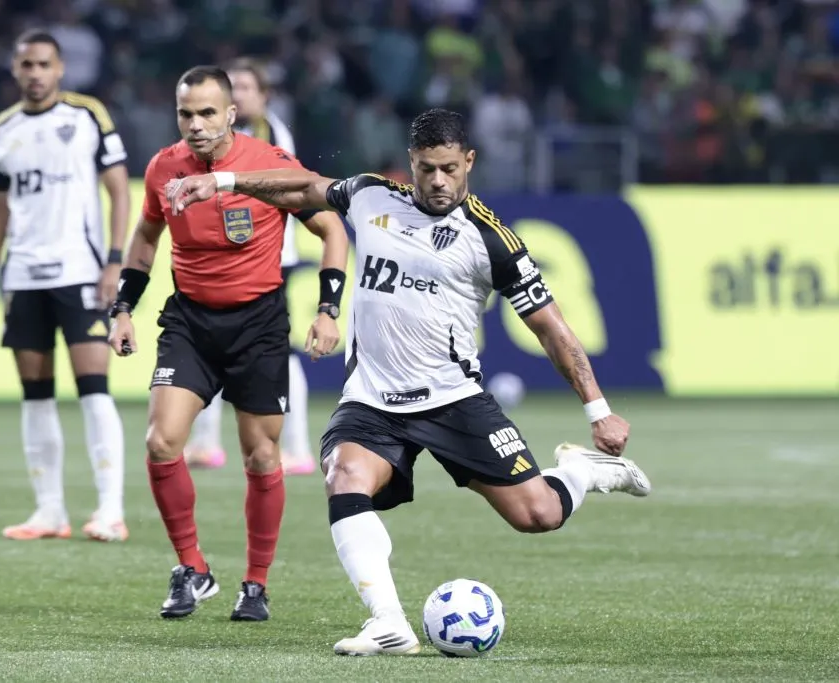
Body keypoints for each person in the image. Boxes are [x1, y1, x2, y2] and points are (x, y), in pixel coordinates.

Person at [165, 108, 652, 654]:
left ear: (468, 161)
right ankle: (388, 623)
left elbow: (553, 330)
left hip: (453, 398)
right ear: (411, 164)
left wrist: (597, 410)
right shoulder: (373, 196)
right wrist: (224, 181)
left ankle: (582, 472)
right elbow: (305, 188)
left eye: (449, 168)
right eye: (426, 169)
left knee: (537, 515)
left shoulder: (492, 241)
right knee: (344, 474)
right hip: (372, 400)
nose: (438, 181)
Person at [106, 66, 350, 622]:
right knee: (161, 442)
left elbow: (332, 229)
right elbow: (146, 237)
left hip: (259, 326)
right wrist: (122, 309)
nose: (195, 125)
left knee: (262, 456)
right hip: (190, 323)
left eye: (207, 113)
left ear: (232, 114)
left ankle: (256, 583)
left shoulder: (270, 166)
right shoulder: (163, 168)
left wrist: (328, 311)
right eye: (185, 114)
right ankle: (192, 568)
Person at [0, 30, 131, 543]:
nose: (35, 73)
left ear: (60, 69)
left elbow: (119, 189)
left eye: (44, 64)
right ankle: (50, 511)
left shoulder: (87, 116)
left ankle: (110, 509)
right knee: (35, 394)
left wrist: (113, 263)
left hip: (79, 271)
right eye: (26, 65)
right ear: (14, 71)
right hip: (24, 275)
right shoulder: (4, 127)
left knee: (93, 388)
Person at [183, 58, 316, 476]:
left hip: (269, 256)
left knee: (280, 352)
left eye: (246, 87)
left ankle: (296, 446)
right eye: (233, 87)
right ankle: (206, 442)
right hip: (232, 253)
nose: (238, 94)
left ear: (262, 95)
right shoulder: (228, 133)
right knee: (214, 346)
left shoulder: (269, 137)